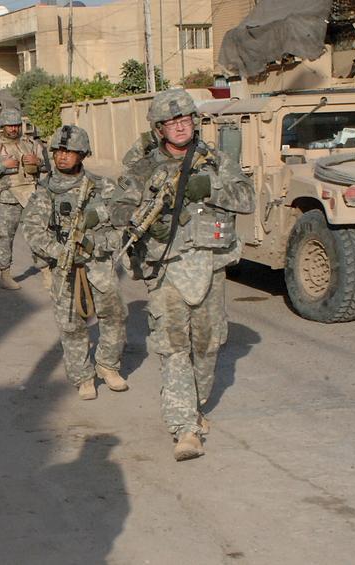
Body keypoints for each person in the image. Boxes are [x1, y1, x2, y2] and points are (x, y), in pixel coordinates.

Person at [117, 89, 253, 461]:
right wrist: (146, 224)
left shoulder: (216, 161)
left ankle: (195, 405)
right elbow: (118, 207)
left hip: (210, 264)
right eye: (171, 122)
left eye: (185, 119)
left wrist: (209, 187)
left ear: (193, 121)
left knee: (208, 346)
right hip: (166, 269)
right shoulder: (143, 167)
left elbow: (247, 197)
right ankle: (185, 429)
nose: (180, 126)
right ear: (159, 129)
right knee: (174, 347)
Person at [22, 125, 130, 400]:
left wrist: (99, 244)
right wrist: (59, 252)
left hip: (99, 264)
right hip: (64, 266)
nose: (62, 156)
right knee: (71, 324)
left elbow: (121, 224)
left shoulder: (101, 186)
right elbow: (33, 231)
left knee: (114, 315)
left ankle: (108, 365)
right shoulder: (45, 191)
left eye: (69, 151)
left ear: (82, 154)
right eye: (58, 150)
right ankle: (83, 376)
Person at [0, 107, 51, 290]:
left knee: (37, 234)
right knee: (6, 238)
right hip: (7, 198)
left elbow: (47, 167)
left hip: (31, 196)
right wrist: (3, 165)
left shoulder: (31, 143)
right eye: (9, 125)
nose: (13, 129)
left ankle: (46, 272)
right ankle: (5, 274)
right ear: (2, 126)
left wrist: (38, 162)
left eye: (16, 125)